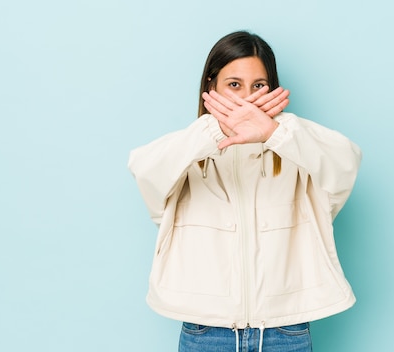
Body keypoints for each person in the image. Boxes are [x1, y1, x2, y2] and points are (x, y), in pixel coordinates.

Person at [128, 31, 362, 352]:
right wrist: (215, 127)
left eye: (258, 86)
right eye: (234, 85)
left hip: (286, 331)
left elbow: (345, 161)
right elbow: (145, 169)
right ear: (211, 86)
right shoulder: (188, 151)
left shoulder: (295, 146)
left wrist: (275, 132)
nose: (246, 99)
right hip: (206, 331)